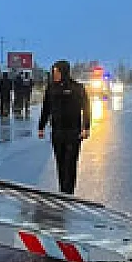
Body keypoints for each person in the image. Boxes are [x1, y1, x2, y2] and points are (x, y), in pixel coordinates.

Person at [38, 60, 90, 194]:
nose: (54, 74)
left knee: (70, 163)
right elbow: (46, 108)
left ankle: (69, 192)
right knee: (60, 163)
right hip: (57, 132)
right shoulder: (51, 88)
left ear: (64, 72)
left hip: (73, 132)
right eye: (53, 72)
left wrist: (86, 127)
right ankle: (62, 191)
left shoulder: (77, 88)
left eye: (56, 72)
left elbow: (86, 108)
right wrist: (41, 127)